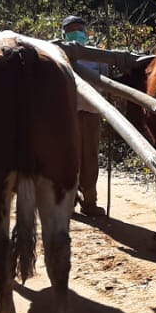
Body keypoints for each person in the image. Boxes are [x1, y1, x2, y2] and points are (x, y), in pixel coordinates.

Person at [62, 15, 106, 216]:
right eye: (72, 30)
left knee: (90, 158)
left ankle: (90, 201)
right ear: (64, 33)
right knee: (68, 158)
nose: (76, 33)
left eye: (79, 29)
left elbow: (107, 81)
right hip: (65, 116)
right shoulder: (58, 55)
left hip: (91, 113)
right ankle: (69, 200)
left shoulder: (97, 56)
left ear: (86, 33)